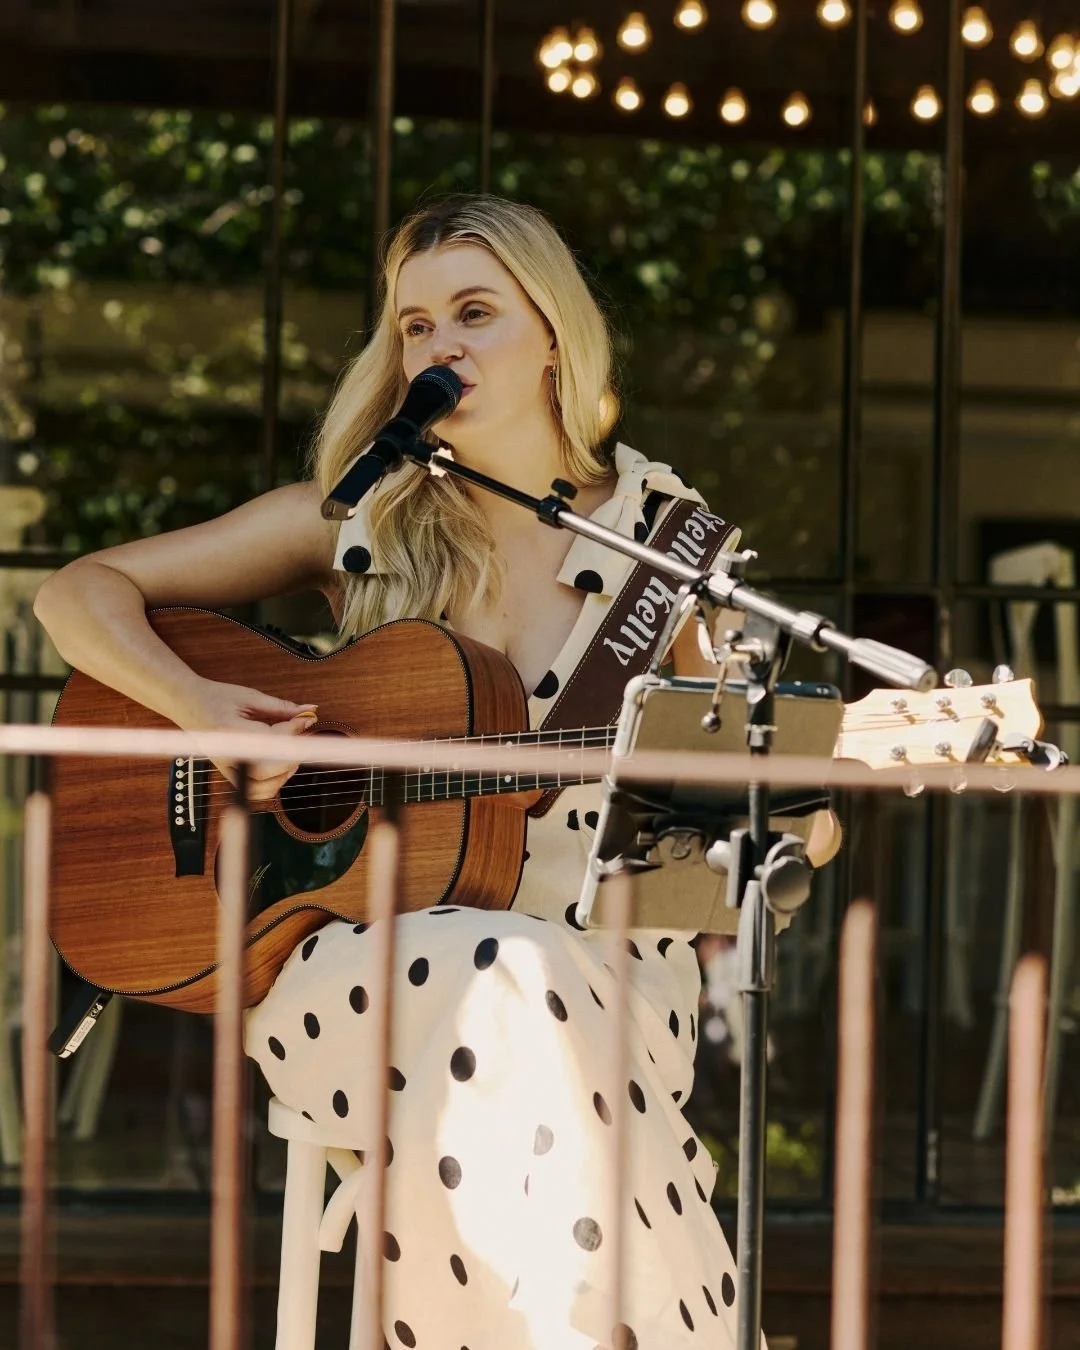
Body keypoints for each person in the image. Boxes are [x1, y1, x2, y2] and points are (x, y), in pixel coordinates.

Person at [35, 194, 837, 1350]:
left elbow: (773, 821)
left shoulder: (666, 553)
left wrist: (792, 810)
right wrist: (199, 708)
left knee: (522, 979)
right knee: (495, 966)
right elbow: (76, 595)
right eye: (415, 326)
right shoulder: (360, 519)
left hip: (604, 980)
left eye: (474, 312)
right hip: (353, 971)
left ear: (553, 334)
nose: (439, 345)